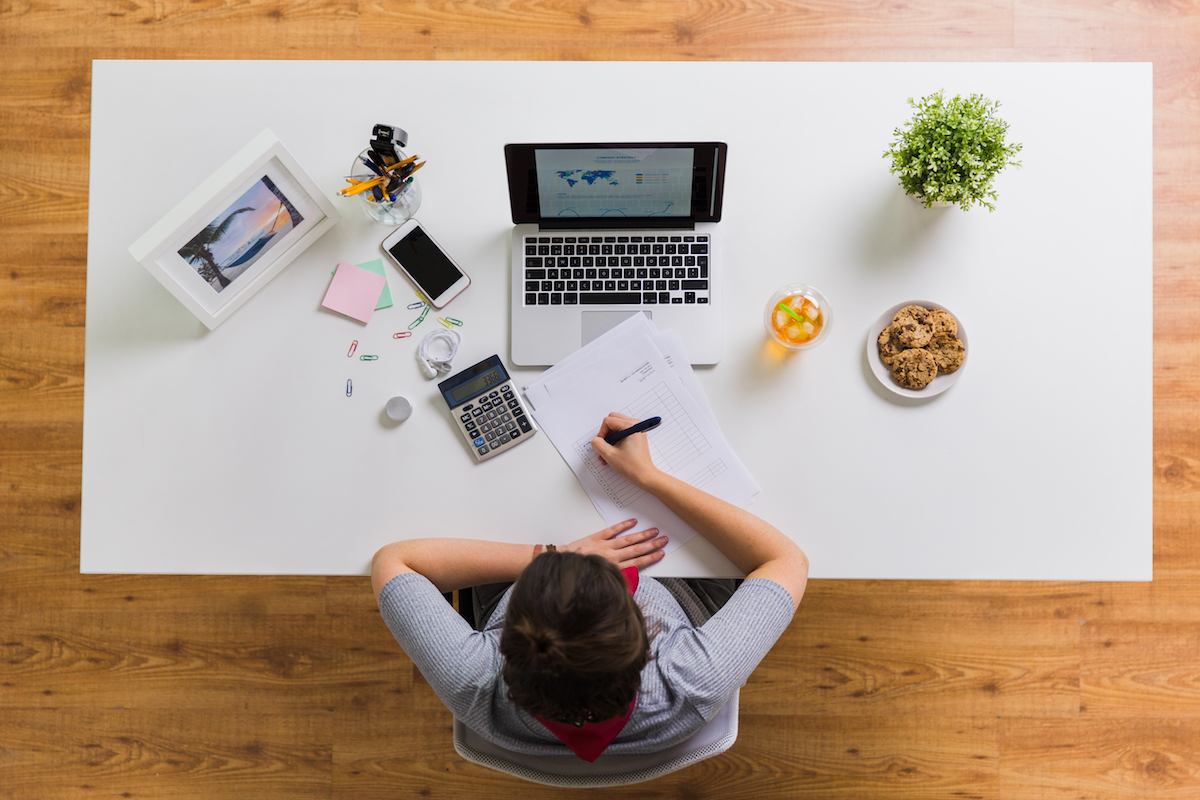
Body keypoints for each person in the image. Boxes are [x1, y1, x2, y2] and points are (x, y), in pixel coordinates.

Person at [371, 412, 809, 760]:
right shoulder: (691, 679)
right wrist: (649, 477)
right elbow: (786, 559)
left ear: (502, 646)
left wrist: (548, 554)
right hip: (682, 596)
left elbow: (393, 560)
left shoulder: (474, 679)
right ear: (646, 642)